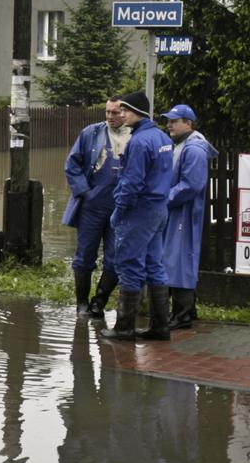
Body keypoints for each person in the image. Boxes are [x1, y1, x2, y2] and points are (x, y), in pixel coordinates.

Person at [101, 90, 174, 342]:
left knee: (129, 266)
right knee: (154, 265)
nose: (121, 114)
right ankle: (160, 328)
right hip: (159, 209)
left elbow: (131, 183)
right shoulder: (163, 137)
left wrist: (119, 212)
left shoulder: (140, 142)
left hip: (139, 212)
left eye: (124, 110)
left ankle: (124, 328)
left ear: (135, 112)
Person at [62, 97, 131, 316]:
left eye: (115, 113)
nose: (110, 117)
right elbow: (71, 165)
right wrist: (84, 192)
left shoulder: (136, 136)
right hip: (92, 207)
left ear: (126, 113)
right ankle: (81, 303)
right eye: (107, 112)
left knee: (115, 257)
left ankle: (99, 302)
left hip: (121, 209)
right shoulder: (91, 133)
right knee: (84, 256)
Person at [160, 105, 218, 330]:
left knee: (179, 260)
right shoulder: (185, 144)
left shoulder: (193, 148)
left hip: (183, 211)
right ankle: (187, 310)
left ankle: (182, 315)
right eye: (169, 120)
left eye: (174, 121)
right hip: (179, 210)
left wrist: (163, 198)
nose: (169, 125)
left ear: (189, 123)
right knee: (176, 258)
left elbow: (191, 185)